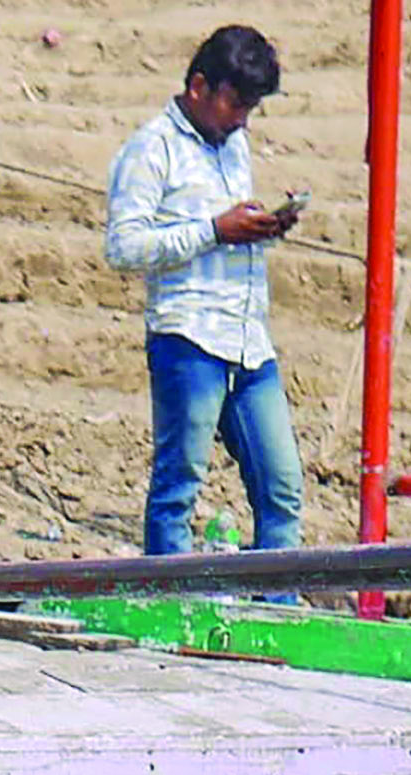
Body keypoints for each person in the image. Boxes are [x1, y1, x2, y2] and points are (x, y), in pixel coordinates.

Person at [102, 22, 302, 562]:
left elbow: (226, 227)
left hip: (247, 340)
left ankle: (275, 613)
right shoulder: (151, 150)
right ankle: (167, 607)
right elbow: (123, 247)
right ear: (198, 88)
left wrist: (260, 228)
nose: (241, 120)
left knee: (281, 488)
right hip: (187, 337)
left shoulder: (234, 146)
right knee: (178, 489)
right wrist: (215, 230)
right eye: (235, 104)